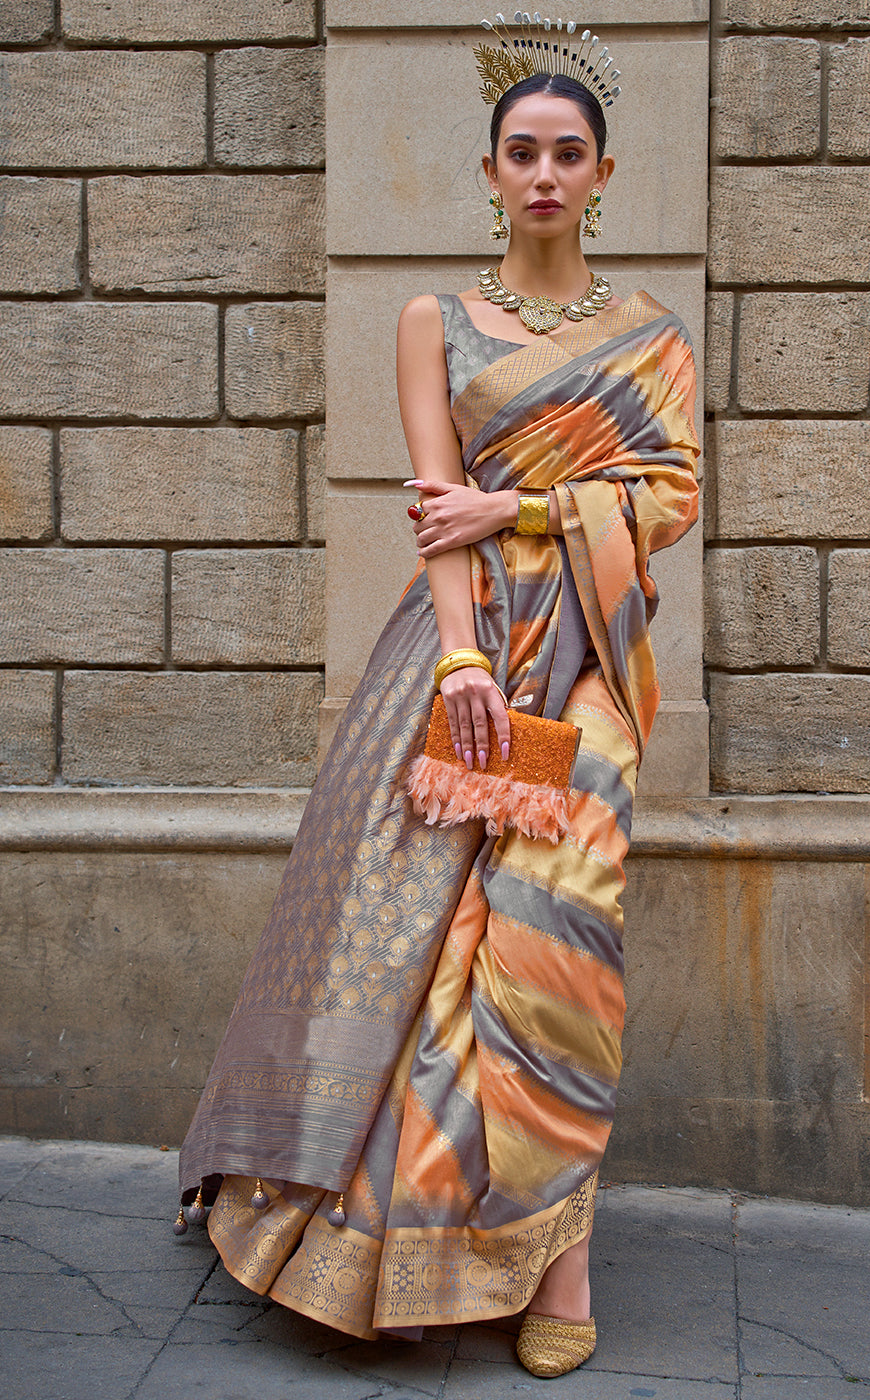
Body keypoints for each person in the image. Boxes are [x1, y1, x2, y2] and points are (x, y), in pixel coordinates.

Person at [175, 15, 699, 1380]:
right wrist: (463, 658)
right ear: (489, 171)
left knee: (556, 938)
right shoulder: (436, 322)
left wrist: (519, 504)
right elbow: (432, 511)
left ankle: (561, 1259)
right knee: (432, 936)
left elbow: (669, 498)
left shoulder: (652, 338)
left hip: (586, 664)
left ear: (603, 173)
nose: (544, 173)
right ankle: (425, 1235)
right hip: (464, 656)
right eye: (522, 152)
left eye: (568, 153)